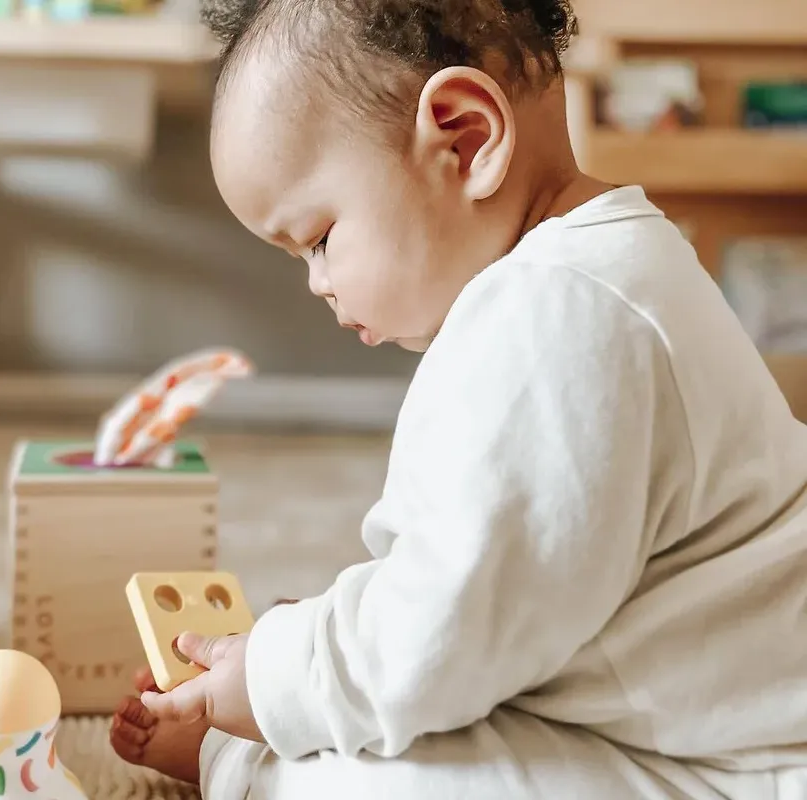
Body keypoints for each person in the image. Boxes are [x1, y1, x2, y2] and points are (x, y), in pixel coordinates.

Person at [110, 0, 807, 797]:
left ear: (464, 137)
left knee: (376, 771)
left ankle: (242, 764)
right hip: (662, 710)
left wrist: (276, 677)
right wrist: (335, 635)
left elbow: (445, 637)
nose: (318, 284)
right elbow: (477, 590)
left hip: (746, 763)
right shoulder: (597, 274)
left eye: (321, 239)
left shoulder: (555, 312)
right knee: (374, 695)